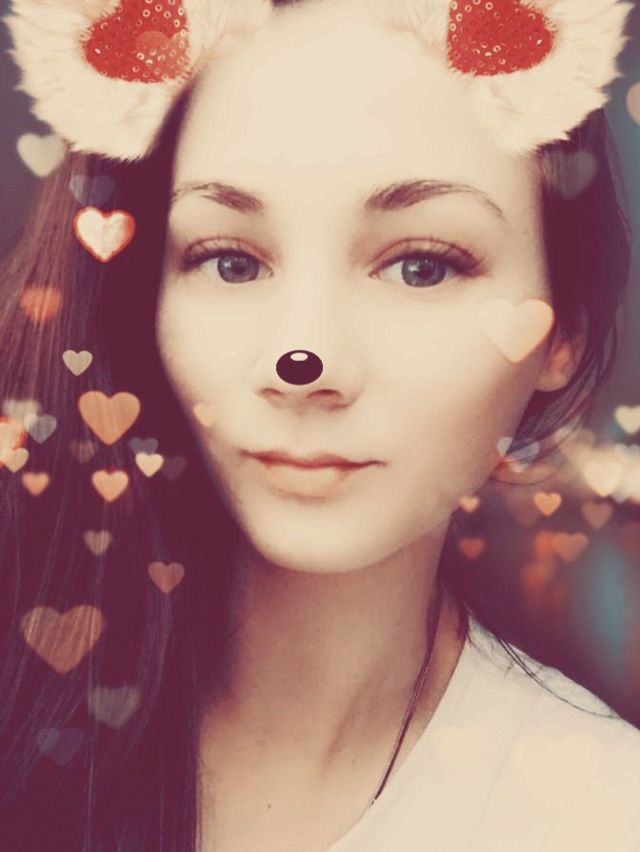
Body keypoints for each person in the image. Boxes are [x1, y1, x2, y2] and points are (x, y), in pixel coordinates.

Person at [0, 0, 638, 850]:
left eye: (421, 266)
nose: (303, 358)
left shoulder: (601, 815)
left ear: (563, 335)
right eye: (230, 261)